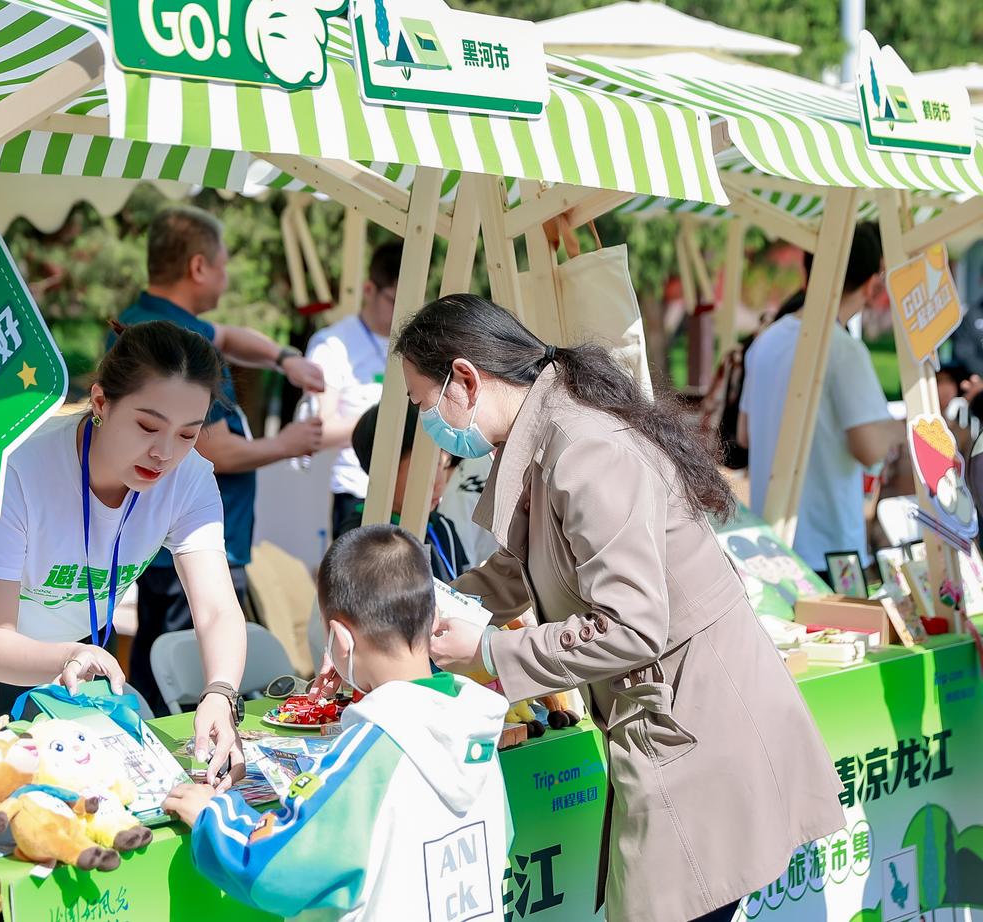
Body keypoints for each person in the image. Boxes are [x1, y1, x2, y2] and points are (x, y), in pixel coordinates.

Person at [373, 293, 844, 922]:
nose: (428, 422)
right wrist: (432, 609)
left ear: (464, 378)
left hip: (698, 724)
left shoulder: (583, 445)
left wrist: (488, 650)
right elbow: (529, 564)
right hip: (674, 717)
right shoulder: (554, 426)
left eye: (423, 403)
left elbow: (630, 624)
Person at [0, 321, 249, 787]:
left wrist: (220, 693)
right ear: (100, 402)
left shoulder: (188, 478)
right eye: (148, 426)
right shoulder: (18, 468)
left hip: (80, 664)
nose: (164, 453)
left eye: (188, 434)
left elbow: (215, 609)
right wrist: (71, 655)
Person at [164, 524, 510, 920]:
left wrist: (214, 815)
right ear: (432, 619)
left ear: (340, 640)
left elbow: (275, 867)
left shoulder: (371, 752)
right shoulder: (478, 726)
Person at [112, 207, 325, 715]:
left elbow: (227, 335)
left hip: (156, 545)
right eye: (225, 265)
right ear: (199, 267)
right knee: (181, 684)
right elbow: (213, 449)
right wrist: (288, 443)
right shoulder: (183, 350)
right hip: (184, 550)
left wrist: (282, 357)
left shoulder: (151, 322)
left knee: (158, 668)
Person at [737, 223, 905, 578]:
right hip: (830, 548)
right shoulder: (843, 349)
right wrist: (902, 427)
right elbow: (868, 448)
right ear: (873, 282)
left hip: (771, 544)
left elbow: (745, 434)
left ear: (808, 270)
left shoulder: (767, 340)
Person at [304, 243, 402, 538]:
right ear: (369, 289)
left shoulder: (414, 343)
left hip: (409, 492)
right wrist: (389, 420)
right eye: (394, 299)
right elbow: (319, 431)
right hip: (356, 492)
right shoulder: (332, 344)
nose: (402, 310)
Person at [344, 401, 471, 583]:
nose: (439, 482)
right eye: (427, 466)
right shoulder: (361, 533)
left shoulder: (442, 527)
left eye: (445, 464)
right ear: (385, 465)